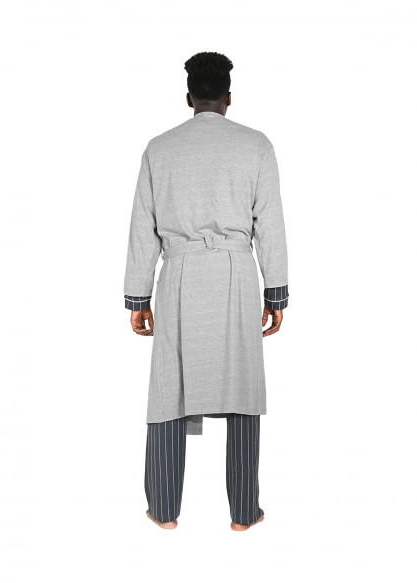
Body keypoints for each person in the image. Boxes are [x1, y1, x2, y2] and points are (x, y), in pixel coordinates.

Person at [123, 51, 289, 531]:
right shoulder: (255, 145)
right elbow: (270, 226)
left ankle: (163, 510)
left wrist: (138, 299)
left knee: (170, 388)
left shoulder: (160, 148)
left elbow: (142, 229)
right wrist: (275, 295)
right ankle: (244, 513)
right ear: (229, 97)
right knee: (242, 387)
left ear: (189, 97)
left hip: (178, 277)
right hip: (236, 276)